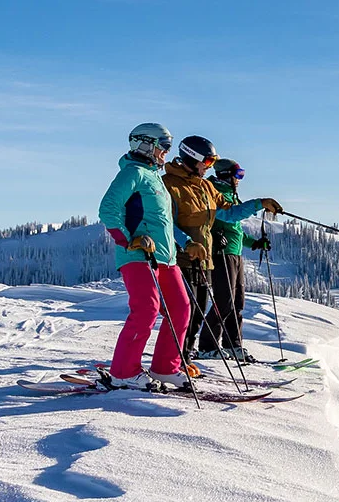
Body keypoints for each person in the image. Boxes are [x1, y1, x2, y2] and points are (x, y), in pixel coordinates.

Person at [161, 136, 281, 360]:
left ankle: (183, 361)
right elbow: (165, 222)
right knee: (185, 312)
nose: (209, 168)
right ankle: (174, 361)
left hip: (204, 258)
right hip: (184, 256)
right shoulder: (169, 185)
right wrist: (187, 242)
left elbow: (229, 214)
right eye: (207, 163)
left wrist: (259, 204)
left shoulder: (206, 187)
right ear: (192, 158)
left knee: (201, 313)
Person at [97, 123, 194, 390]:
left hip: (166, 257)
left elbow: (163, 221)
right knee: (147, 309)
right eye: (163, 146)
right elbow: (108, 209)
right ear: (145, 145)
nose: (166, 152)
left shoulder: (155, 179)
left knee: (181, 308)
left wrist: (187, 243)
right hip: (138, 255)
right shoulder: (132, 173)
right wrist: (128, 241)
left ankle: (165, 367)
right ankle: (123, 373)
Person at [206, 158, 270, 362]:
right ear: (226, 175)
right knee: (224, 301)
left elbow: (234, 230)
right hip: (220, 253)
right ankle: (207, 346)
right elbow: (228, 217)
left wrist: (254, 243)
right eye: (238, 174)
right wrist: (259, 204)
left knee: (236, 302)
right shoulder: (215, 193)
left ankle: (233, 344)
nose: (240, 179)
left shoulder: (229, 194)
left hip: (233, 252)